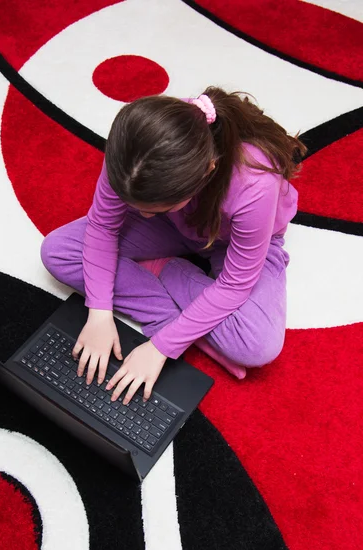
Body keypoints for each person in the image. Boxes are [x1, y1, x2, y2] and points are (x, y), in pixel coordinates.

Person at [40, 86, 307, 405]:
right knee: (58, 251)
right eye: (134, 204)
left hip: (231, 240)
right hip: (171, 226)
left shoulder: (254, 182)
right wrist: (99, 312)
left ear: (207, 171)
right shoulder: (135, 142)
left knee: (257, 345)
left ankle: (167, 269)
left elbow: (235, 285)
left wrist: (159, 348)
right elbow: (102, 226)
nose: (139, 215)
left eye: (152, 207)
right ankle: (167, 314)